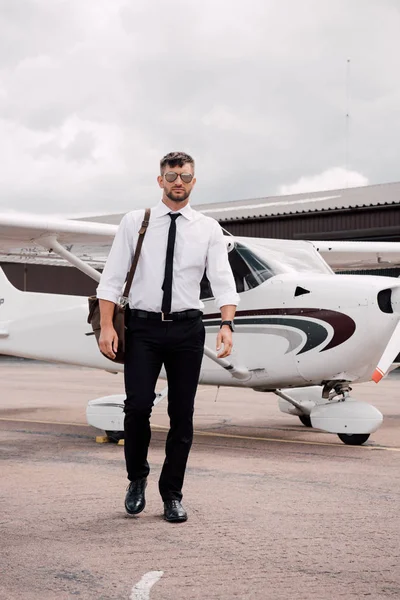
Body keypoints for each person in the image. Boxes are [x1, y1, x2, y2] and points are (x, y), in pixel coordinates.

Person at [96, 151, 239, 523]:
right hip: (143, 329)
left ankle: (172, 494)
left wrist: (227, 324)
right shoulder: (135, 221)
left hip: (187, 330)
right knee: (138, 407)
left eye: (186, 177)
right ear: (160, 180)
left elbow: (223, 280)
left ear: (194, 182)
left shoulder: (207, 228)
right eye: (172, 176)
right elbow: (110, 278)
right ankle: (137, 478)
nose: (179, 182)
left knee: (182, 415)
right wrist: (109, 326)